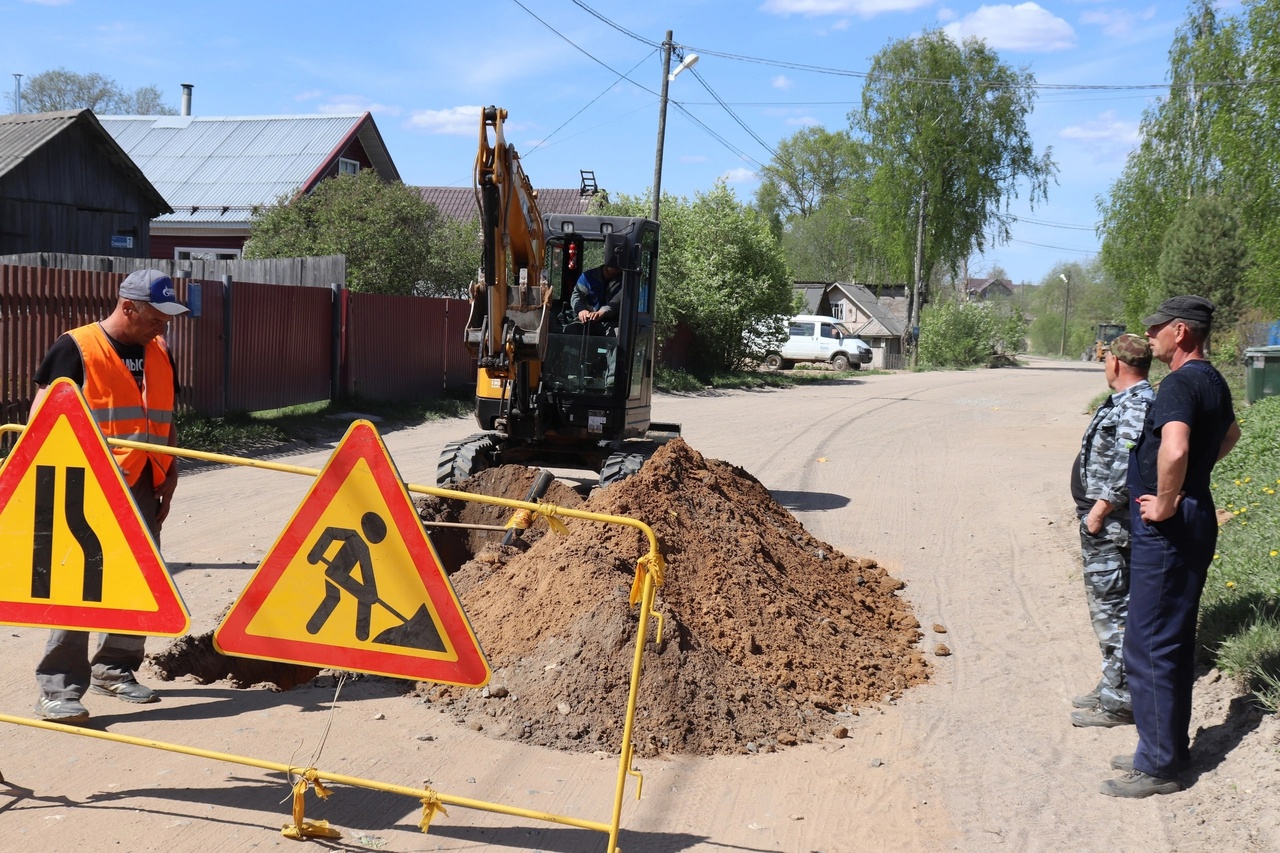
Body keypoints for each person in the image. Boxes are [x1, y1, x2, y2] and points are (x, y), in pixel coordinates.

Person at [30, 268, 188, 724]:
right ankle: (58, 688)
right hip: (87, 486)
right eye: (157, 316)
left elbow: (165, 414)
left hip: (142, 479)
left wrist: (171, 469)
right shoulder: (76, 347)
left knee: (139, 576)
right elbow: (45, 419)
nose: (164, 325)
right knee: (82, 582)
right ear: (128, 307)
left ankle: (115, 668)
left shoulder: (157, 350)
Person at [1100, 295, 1240, 798]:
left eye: (1156, 327)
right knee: (1171, 640)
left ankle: (1158, 765)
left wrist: (1165, 499)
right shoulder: (1213, 379)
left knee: (1149, 642)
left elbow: (1176, 446)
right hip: (1194, 514)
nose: (1151, 335)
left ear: (1181, 332)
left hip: (1171, 525)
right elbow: (1232, 434)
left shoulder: (1181, 382)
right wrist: (1194, 482)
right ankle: (1165, 747)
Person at [1069, 333, 1155, 728]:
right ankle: (1112, 684)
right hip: (1106, 523)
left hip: (1112, 527)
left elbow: (1126, 464)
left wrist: (1099, 511)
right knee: (1106, 610)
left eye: (1106, 359)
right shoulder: (1124, 401)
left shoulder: (1136, 404)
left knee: (1114, 612)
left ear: (1117, 364)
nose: (1104, 364)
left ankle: (1120, 701)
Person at [571, 263, 622, 327]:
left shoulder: (625, 281)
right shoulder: (588, 277)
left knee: (619, 333)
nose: (616, 267)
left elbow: (616, 301)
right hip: (586, 320)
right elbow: (577, 296)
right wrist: (581, 310)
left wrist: (601, 312)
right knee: (572, 329)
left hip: (611, 321)